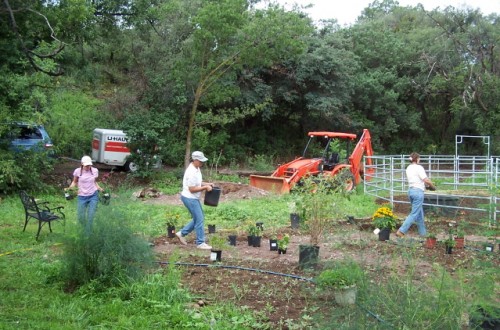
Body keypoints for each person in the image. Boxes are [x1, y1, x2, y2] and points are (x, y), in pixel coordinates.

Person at [176, 151, 214, 250]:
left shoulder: (196, 168)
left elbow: (198, 183)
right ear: (195, 160)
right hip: (190, 198)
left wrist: (207, 183)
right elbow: (192, 189)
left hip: (192, 198)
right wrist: (205, 187)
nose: (202, 163)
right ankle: (200, 243)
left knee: (198, 218)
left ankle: (181, 233)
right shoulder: (191, 172)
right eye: (201, 161)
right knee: (200, 219)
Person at [396, 152, 436, 238]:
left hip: (411, 191)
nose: (419, 160)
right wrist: (432, 186)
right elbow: (426, 180)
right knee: (414, 213)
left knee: (419, 213)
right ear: (417, 159)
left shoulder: (408, 168)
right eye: (419, 158)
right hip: (418, 192)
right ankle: (401, 231)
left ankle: (423, 233)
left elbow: (416, 179)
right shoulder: (419, 168)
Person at [67, 155, 103, 233]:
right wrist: (69, 189)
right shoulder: (77, 171)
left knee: (91, 216)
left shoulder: (95, 171)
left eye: (89, 165)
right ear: (82, 164)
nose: (88, 166)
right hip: (81, 196)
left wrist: (100, 189)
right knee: (81, 217)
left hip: (93, 195)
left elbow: (94, 182)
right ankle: (85, 229)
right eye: (86, 165)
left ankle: (88, 234)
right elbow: (74, 181)